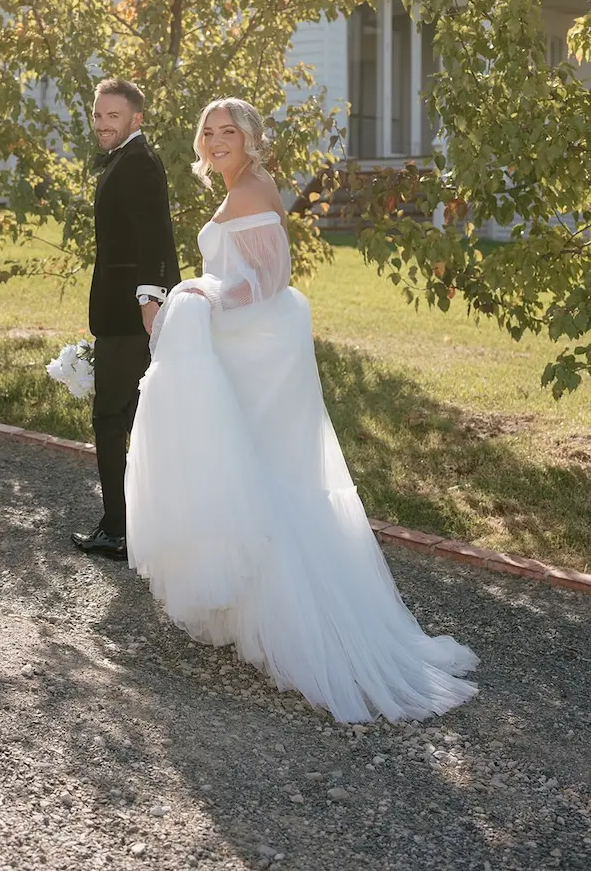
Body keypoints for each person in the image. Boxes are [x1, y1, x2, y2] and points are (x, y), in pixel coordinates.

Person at [125, 97, 479, 723]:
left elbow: (265, 277)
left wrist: (194, 293)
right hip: (246, 342)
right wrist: (196, 292)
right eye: (209, 132)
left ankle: (302, 629)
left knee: (265, 472)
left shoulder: (254, 188)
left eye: (228, 131)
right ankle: (252, 611)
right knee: (254, 466)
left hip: (254, 343)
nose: (216, 140)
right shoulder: (243, 185)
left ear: (250, 139)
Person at [71, 78, 180, 561]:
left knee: (111, 418)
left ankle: (119, 529)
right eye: (97, 115)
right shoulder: (128, 159)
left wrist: (149, 304)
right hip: (120, 311)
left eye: (112, 116)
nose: (101, 124)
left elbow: (154, 236)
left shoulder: (138, 162)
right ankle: (135, 523)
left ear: (136, 119)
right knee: (131, 417)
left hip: (130, 316)